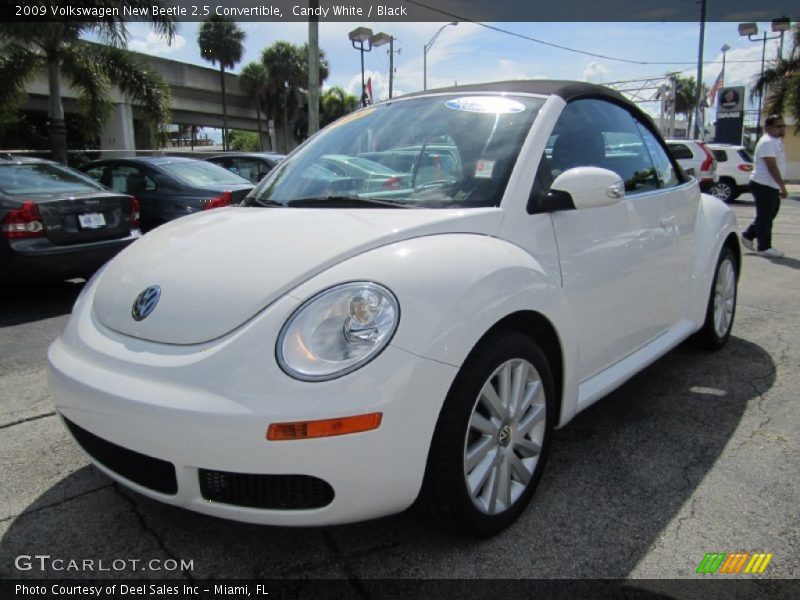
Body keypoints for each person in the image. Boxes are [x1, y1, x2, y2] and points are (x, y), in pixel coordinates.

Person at [741, 115, 788, 258]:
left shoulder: (775, 141)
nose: (782, 128)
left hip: (770, 185)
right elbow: (771, 166)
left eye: (783, 126)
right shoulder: (767, 142)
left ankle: (748, 235)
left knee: (769, 214)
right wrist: (782, 186)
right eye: (778, 126)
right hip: (763, 184)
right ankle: (764, 247)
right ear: (768, 128)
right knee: (765, 217)